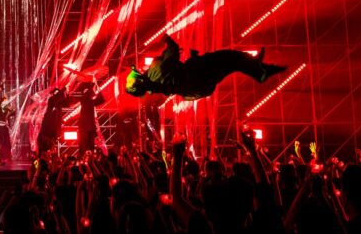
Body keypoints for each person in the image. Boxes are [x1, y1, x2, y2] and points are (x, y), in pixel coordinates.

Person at [125, 35, 287, 100]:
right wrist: (166, 39)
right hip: (199, 74)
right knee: (229, 57)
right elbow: (173, 48)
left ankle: (260, 69)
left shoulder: (153, 85)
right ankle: (261, 72)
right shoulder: (156, 69)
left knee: (232, 64)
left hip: (198, 88)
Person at [77, 80, 106, 156]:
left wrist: (98, 89)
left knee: (91, 146)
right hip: (84, 128)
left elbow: (101, 100)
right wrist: (93, 85)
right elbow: (87, 95)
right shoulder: (84, 99)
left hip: (90, 128)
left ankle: (90, 158)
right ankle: (83, 157)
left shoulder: (91, 102)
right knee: (84, 145)